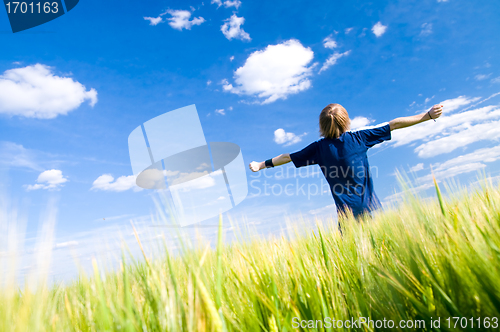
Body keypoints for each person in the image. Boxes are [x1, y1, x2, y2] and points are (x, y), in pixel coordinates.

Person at [249, 103, 444, 225]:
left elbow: (287, 157)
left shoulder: (318, 149)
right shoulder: (360, 138)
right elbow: (393, 124)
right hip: (372, 210)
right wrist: (427, 115)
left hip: (346, 217)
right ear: (346, 121)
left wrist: (261, 164)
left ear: (322, 126)